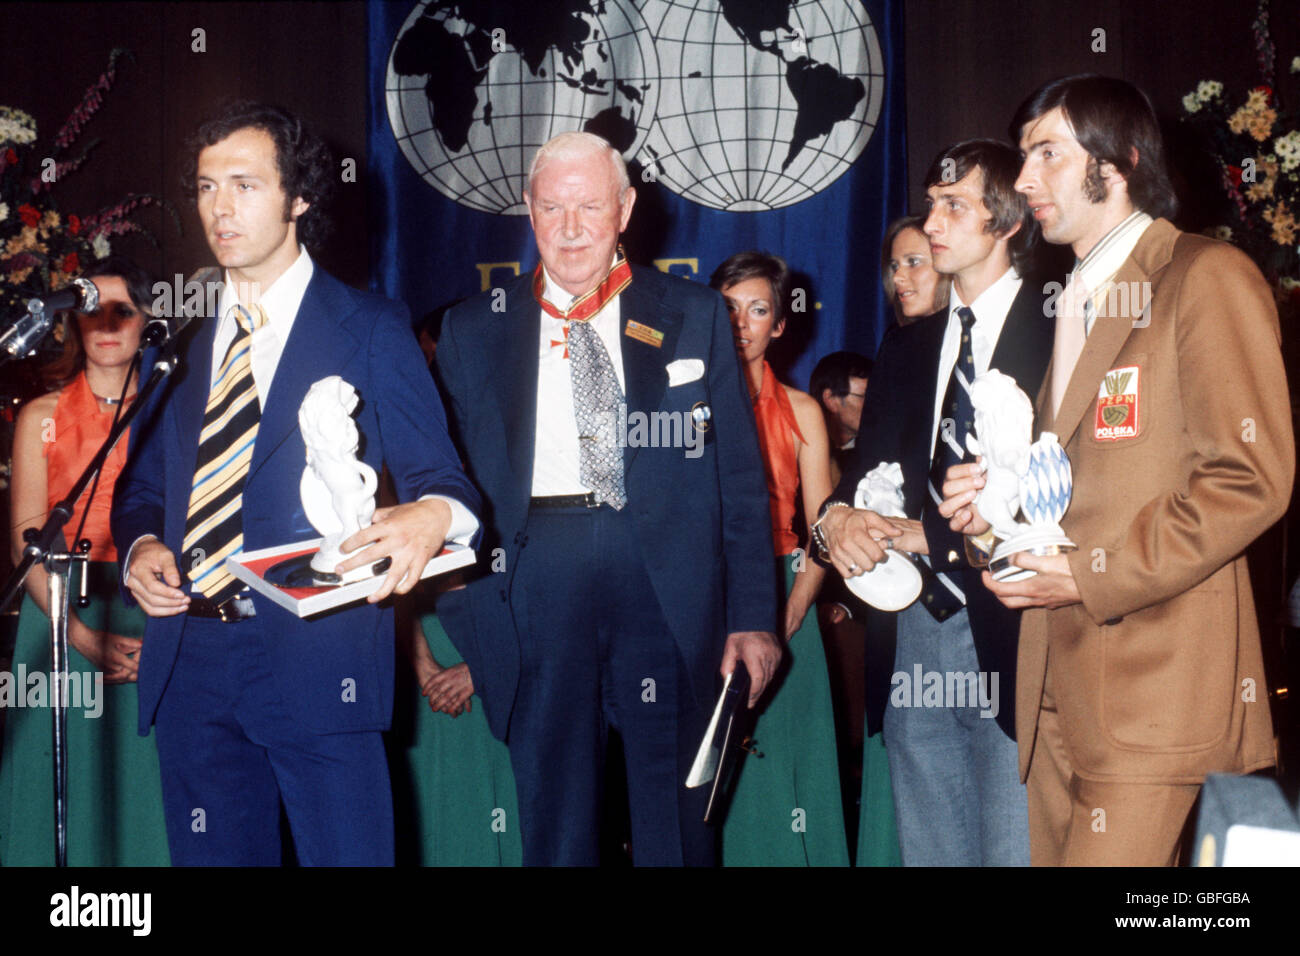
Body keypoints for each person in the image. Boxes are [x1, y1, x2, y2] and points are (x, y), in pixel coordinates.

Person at [112, 102, 480, 866]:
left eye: (245, 185)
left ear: (300, 198)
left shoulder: (371, 325)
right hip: (192, 664)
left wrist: (430, 517)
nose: (220, 206)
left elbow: (446, 481)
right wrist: (142, 543)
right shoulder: (179, 347)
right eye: (208, 186)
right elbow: (140, 489)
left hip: (322, 661)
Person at [941, 75, 1293, 866]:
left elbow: (1250, 478)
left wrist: (1091, 577)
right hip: (1054, 694)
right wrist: (988, 514)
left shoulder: (1205, 277)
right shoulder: (1067, 302)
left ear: (1120, 161)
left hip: (1156, 695)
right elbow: (1061, 494)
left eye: (1047, 155)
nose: (1024, 178)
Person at [433, 131, 781, 866]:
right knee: (556, 825)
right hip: (535, 586)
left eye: (589, 206)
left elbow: (740, 483)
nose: (569, 229)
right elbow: (446, 483)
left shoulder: (694, 312)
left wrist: (752, 616)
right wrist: (471, 614)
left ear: (624, 208)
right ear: (528, 212)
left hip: (667, 589)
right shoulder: (471, 328)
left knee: (678, 825)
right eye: (552, 208)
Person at [814, 139, 1056, 865]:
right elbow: (862, 484)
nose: (934, 221)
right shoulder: (908, 348)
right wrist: (836, 521)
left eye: (955, 206)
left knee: (1016, 853)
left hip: (1019, 631)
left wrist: (932, 538)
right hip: (914, 633)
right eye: (930, 205)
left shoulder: (1065, 328)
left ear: (1008, 220)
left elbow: (1074, 494)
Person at [1, 257, 170, 866]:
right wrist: (75, 633)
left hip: (144, 603)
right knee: (58, 790)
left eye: (123, 309)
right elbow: (26, 534)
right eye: (91, 309)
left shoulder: (173, 414)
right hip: (56, 610)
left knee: (145, 786)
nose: (105, 322)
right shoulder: (40, 417)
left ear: (150, 320)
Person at [708, 251, 848, 866]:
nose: (742, 322)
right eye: (729, 307)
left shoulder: (804, 411)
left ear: (781, 324)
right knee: (715, 782)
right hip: (708, 600)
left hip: (789, 591)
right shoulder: (682, 408)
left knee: (792, 765)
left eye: (758, 309)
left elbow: (824, 531)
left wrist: (788, 617)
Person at [809, 350, 872, 483]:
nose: (875, 404)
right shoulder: (806, 457)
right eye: (864, 396)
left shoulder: (880, 453)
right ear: (831, 400)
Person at [881, 215, 951, 325]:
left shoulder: (976, 336)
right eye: (895, 267)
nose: (896, 277)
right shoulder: (895, 339)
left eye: (913, 262)